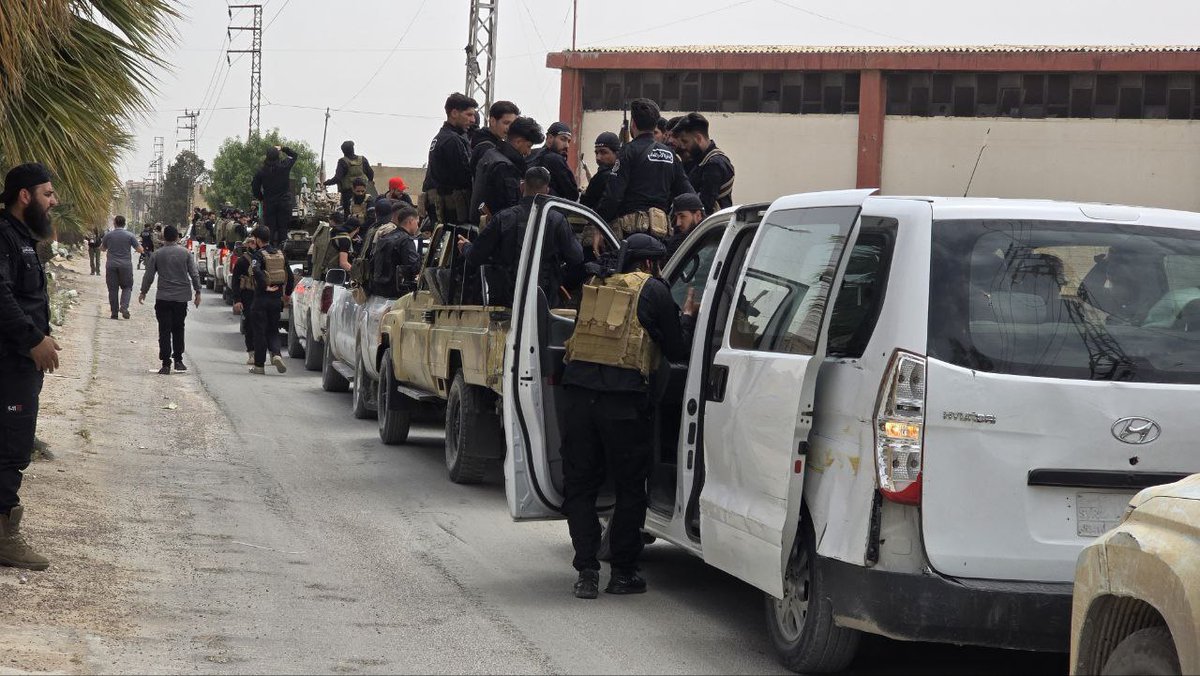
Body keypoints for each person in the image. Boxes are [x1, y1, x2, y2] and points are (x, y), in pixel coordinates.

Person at [559, 233, 699, 598]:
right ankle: (622, 573)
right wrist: (686, 317)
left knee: (580, 486)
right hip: (623, 403)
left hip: (577, 399)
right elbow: (677, 349)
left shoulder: (596, 285)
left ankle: (586, 572)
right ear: (650, 263)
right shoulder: (653, 290)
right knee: (631, 488)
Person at [0, 162, 61, 571]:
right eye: (47, 194)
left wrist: (44, 334)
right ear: (25, 196)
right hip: (10, 362)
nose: (53, 201)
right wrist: (33, 340)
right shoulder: (4, 236)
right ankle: (5, 538)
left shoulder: (21, 237)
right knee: (11, 447)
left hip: (20, 361)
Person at [459, 166, 583, 308]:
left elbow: (476, 256)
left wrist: (465, 247)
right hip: (545, 303)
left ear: (522, 186)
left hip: (507, 303)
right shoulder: (557, 220)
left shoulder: (503, 219)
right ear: (547, 191)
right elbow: (577, 257)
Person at [597, 98, 693, 242]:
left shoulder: (627, 152)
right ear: (655, 124)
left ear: (633, 124)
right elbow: (687, 193)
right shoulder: (670, 155)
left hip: (631, 236)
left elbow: (613, 196)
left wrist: (600, 226)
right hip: (661, 236)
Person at [137, 225, 201, 374]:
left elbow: (149, 276)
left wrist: (143, 292)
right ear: (177, 237)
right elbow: (194, 274)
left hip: (163, 298)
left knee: (164, 330)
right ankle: (178, 360)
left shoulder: (157, 254)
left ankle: (166, 363)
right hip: (181, 298)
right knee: (179, 328)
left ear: (164, 237)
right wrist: (198, 291)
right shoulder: (186, 253)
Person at [471, 116, 544, 224]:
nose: (529, 152)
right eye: (528, 146)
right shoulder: (506, 167)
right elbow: (510, 210)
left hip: (482, 225)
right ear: (518, 142)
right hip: (496, 228)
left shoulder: (491, 154)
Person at [245, 225, 295, 375]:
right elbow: (290, 275)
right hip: (276, 299)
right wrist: (287, 294)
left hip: (261, 299)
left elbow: (256, 270)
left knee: (259, 332)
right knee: (273, 330)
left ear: (258, 240)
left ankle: (259, 366)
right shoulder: (280, 254)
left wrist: (265, 286)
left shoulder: (258, 255)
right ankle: (276, 354)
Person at [423, 93, 478, 225]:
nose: (473, 120)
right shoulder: (452, 140)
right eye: (469, 115)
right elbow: (465, 177)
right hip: (452, 215)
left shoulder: (443, 137)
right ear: (454, 113)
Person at [671, 113, 735, 215]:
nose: (683, 146)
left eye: (685, 141)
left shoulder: (714, 164)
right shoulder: (703, 161)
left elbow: (704, 206)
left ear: (698, 138)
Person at [369, 206, 423, 298]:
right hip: (397, 292)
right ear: (411, 221)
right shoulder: (406, 240)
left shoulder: (385, 238)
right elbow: (413, 267)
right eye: (417, 222)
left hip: (379, 289)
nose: (417, 226)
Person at [251, 145, 299, 247]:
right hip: (284, 203)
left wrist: (261, 198)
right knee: (283, 229)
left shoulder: (261, 171)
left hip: (269, 203)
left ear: (267, 157)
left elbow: (255, 187)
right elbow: (294, 155)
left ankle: (270, 250)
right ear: (278, 156)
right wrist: (283, 148)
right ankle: (283, 250)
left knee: (270, 230)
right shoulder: (284, 166)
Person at [101, 215, 143, 319]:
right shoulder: (130, 235)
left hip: (111, 265)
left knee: (112, 289)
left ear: (114, 223)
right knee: (127, 287)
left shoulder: (108, 235)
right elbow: (140, 250)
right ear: (124, 224)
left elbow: (102, 248)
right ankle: (124, 307)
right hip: (125, 265)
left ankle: (114, 313)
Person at [529, 122, 579, 201]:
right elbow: (572, 195)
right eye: (563, 139)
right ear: (550, 138)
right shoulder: (555, 159)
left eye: (568, 141)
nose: (567, 145)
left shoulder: (532, 154)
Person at [470, 100, 521, 176]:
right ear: (492, 121)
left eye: (513, 124)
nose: (510, 128)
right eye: (506, 123)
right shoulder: (486, 148)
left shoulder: (494, 143)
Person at [323, 140, 374, 216]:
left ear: (343, 151)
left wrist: (326, 183)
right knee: (367, 213)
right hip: (364, 193)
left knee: (348, 214)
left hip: (348, 194)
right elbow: (371, 174)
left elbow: (337, 178)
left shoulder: (342, 162)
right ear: (353, 149)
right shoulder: (362, 159)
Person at [229, 237, 259, 365]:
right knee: (250, 325)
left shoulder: (263, 258)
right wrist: (237, 299)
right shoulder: (242, 261)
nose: (253, 245)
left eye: (254, 242)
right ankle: (252, 354)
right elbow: (235, 281)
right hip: (248, 295)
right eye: (250, 242)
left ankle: (262, 354)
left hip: (261, 295)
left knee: (260, 325)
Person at [581, 132, 621, 211]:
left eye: (603, 152)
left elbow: (585, 204)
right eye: (596, 153)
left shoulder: (603, 176)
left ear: (616, 154)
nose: (598, 158)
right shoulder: (624, 173)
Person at [665, 192, 705, 259]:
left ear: (698, 215)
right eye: (676, 217)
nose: (678, 223)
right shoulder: (676, 239)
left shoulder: (709, 236)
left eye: (682, 216)